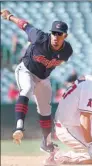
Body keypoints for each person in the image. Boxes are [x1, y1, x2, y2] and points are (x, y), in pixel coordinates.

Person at [1, 9, 73, 153]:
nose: (55, 36)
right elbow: (25, 25)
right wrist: (9, 16)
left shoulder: (67, 51)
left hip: (43, 77)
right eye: (53, 32)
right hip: (26, 69)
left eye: (59, 34)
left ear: (65, 36)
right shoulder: (40, 37)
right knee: (26, 89)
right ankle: (19, 126)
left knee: (45, 110)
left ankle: (46, 143)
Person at [44, 75, 92, 165]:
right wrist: (90, 144)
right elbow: (84, 118)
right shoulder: (90, 85)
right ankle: (58, 157)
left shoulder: (88, 81)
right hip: (67, 127)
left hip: (75, 125)